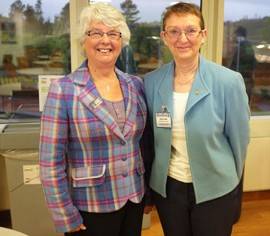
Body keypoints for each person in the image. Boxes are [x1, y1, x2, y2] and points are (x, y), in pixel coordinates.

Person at [39, 3, 151, 236]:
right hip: (90, 205)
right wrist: (64, 214)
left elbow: (142, 144)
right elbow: (50, 163)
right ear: (83, 40)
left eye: (113, 34)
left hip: (133, 198)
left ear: (122, 41)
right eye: (96, 33)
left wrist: (148, 192)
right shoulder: (64, 90)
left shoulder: (135, 85)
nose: (105, 40)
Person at [144, 2, 250, 236]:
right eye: (174, 31)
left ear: (203, 35)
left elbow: (239, 142)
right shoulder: (151, 82)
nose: (183, 38)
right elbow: (151, 140)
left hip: (215, 187)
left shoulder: (228, 82)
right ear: (164, 36)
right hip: (169, 189)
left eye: (191, 30)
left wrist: (231, 184)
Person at [230, 26, 256, 103]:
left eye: (237, 34)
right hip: (241, 77)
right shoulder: (241, 46)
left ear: (240, 35)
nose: (235, 37)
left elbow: (249, 60)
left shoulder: (246, 46)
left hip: (244, 77)